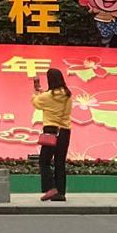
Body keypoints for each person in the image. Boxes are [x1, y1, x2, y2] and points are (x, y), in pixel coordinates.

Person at [31, 67, 73, 202]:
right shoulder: (67, 95)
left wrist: (36, 92)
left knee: (44, 160)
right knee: (60, 162)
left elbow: (36, 103)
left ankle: (50, 187)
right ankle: (60, 192)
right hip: (65, 130)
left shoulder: (47, 96)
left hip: (51, 130)